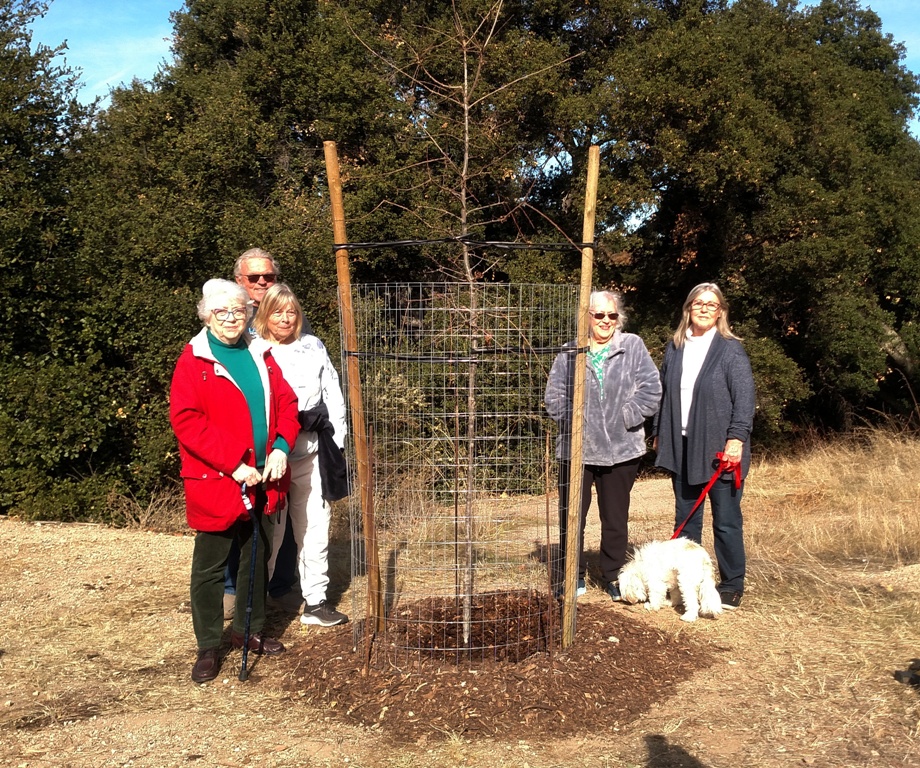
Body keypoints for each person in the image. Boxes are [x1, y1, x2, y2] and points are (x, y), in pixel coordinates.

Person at [170, 279, 301, 683]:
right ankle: (209, 644)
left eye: (239, 311)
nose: (231, 318)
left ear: (249, 313)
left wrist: (280, 446)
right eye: (222, 312)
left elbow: (287, 403)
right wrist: (234, 464)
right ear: (207, 316)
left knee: (256, 557)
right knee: (210, 565)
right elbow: (187, 421)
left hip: (265, 475)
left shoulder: (262, 353)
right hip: (220, 478)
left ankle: (249, 630)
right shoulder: (194, 360)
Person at [545, 290, 661, 602]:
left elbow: (652, 389)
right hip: (576, 450)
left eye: (611, 315)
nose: (606, 321)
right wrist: (577, 423)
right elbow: (553, 396)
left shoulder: (632, 346)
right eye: (599, 315)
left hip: (622, 450)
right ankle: (573, 575)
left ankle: (614, 576)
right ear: (587, 317)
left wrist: (625, 417)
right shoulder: (570, 352)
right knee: (572, 517)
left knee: (615, 519)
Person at [653, 282, 756, 610]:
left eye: (711, 304)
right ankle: (688, 584)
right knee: (686, 519)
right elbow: (663, 394)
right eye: (698, 303)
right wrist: (659, 432)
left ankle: (732, 583)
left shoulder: (729, 349)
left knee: (725, 519)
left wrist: (736, 438)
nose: (704, 308)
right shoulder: (675, 347)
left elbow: (744, 398)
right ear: (688, 308)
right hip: (682, 446)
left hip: (720, 451)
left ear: (720, 311)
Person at [255, 283, 350, 626]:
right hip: (271, 457)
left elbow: (333, 394)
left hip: (312, 451)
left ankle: (315, 601)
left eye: (291, 311)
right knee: (272, 534)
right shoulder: (255, 351)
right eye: (277, 311)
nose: (285, 318)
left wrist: (337, 442)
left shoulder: (313, 346)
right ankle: (256, 609)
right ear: (265, 315)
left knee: (315, 527)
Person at [223, 248, 308, 618]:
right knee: (236, 514)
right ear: (239, 282)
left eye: (267, 277)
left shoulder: (284, 318)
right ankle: (232, 591)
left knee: (280, 511)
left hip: (283, 441)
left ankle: (278, 585)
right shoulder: (228, 321)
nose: (261, 283)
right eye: (253, 278)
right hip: (238, 443)